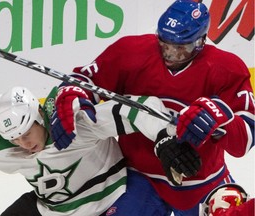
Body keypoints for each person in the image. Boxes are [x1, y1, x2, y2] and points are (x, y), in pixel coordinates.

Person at [69, 0, 255, 215]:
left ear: (201, 41)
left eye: (180, 48)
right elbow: (83, 81)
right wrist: (73, 96)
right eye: (165, 44)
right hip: (139, 176)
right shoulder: (130, 52)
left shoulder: (227, 68)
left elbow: (246, 139)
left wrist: (220, 115)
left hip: (203, 181)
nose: (170, 54)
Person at [0, 85, 201, 215]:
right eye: (15, 140)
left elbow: (136, 109)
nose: (24, 144)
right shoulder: (0, 145)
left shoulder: (74, 122)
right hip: (52, 209)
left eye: (27, 134)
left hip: (109, 199)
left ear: (39, 115)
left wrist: (163, 138)